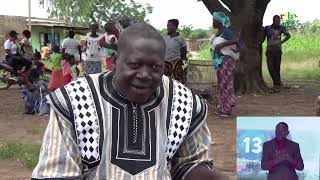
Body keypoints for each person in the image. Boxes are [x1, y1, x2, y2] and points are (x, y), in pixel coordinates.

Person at [31, 23, 216, 180]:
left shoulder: (183, 103)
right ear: (116, 60)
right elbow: (55, 174)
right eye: (135, 65)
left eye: (156, 67)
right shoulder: (75, 100)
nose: (145, 75)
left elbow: (189, 165)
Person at [210, 12, 239, 117]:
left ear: (219, 22)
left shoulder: (227, 31)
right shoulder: (218, 33)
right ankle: (223, 107)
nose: (212, 22)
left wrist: (221, 45)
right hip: (219, 62)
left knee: (226, 84)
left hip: (226, 61)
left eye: (214, 20)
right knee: (221, 85)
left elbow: (236, 40)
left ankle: (227, 110)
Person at [262, 15, 291, 93]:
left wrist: (281, 42)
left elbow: (288, 35)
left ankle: (277, 85)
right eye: (277, 21)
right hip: (269, 50)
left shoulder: (281, 28)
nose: (278, 22)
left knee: (277, 68)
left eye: (279, 21)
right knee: (270, 67)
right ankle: (277, 83)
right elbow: (262, 39)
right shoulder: (267, 28)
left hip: (277, 50)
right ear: (273, 20)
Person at [163, 19, 188, 83]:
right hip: (165, 65)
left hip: (176, 65)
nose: (167, 27)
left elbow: (184, 54)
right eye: (167, 25)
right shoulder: (164, 37)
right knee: (164, 83)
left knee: (174, 83)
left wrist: (183, 70)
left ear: (175, 26)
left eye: (169, 25)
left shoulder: (180, 38)